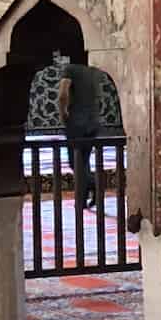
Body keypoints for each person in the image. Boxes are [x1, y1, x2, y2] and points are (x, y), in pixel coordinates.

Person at [54, 55, 103, 213]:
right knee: (83, 161)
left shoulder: (70, 69)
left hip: (76, 123)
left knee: (75, 162)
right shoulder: (93, 69)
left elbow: (62, 95)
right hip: (93, 121)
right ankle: (82, 200)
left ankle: (94, 185)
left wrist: (63, 115)